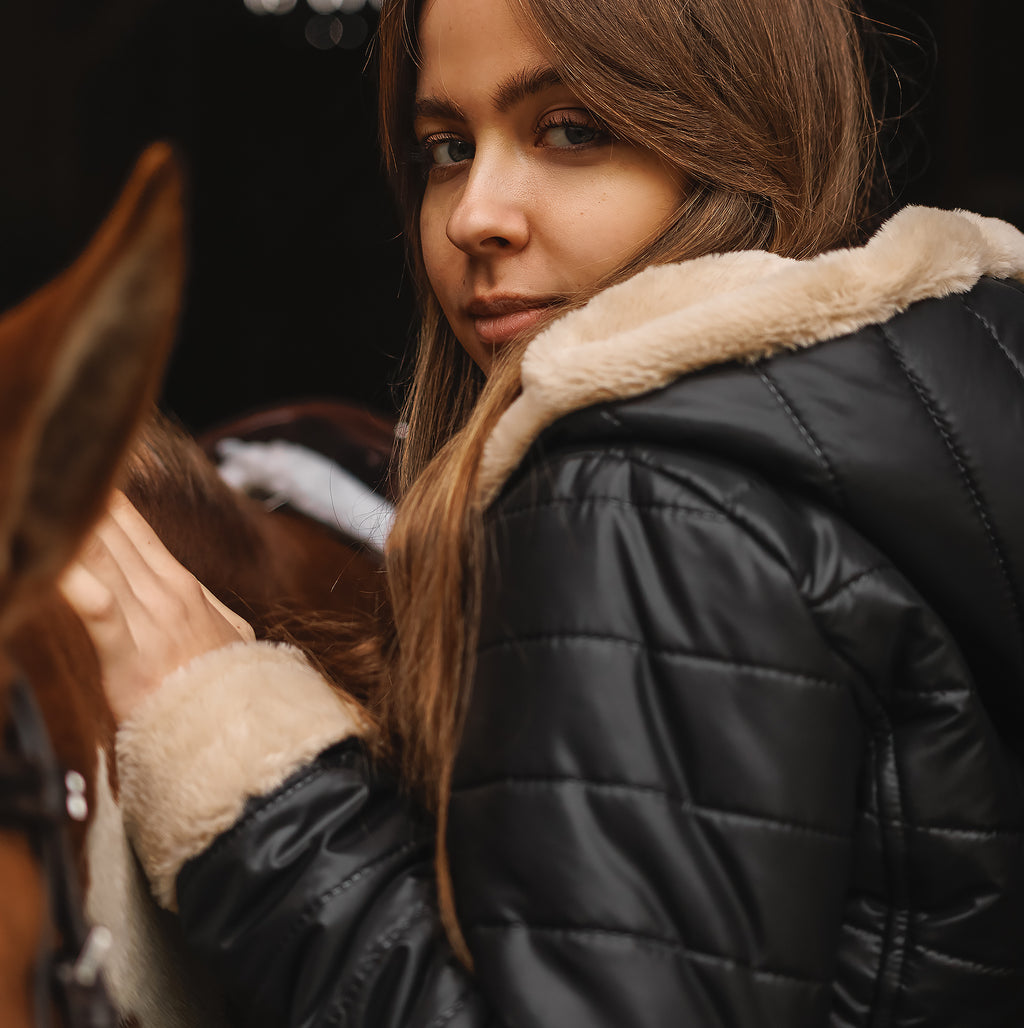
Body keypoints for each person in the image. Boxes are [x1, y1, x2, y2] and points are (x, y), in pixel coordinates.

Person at [61, 0, 1024, 1024]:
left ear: (735, 132)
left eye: (571, 130)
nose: (475, 212)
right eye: (444, 146)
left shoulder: (646, 490)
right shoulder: (891, 421)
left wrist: (225, 743)